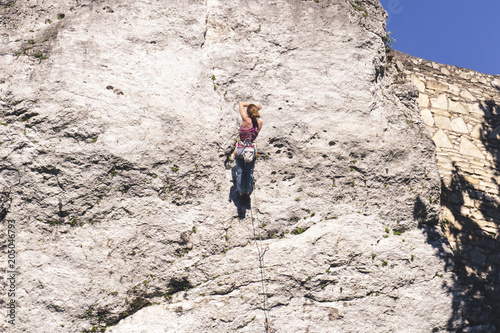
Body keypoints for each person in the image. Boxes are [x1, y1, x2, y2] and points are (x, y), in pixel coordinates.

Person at [235, 101, 263, 201]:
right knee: (249, 172)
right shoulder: (259, 123)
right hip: (251, 149)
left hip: (241, 148)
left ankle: (241, 192)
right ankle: (248, 191)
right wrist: (255, 107)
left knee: (240, 171)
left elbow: (240, 103)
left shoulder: (245, 119)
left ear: (248, 113)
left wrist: (253, 104)